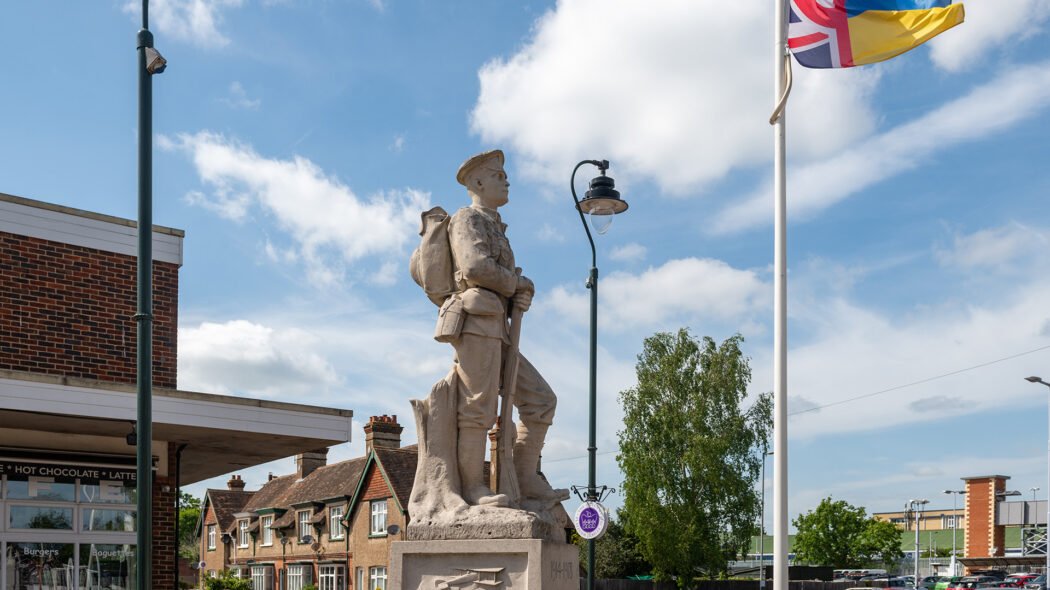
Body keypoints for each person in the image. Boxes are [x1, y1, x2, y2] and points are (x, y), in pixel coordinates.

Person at [443, 149, 566, 508]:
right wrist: (517, 283)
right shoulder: (467, 220)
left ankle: (526, 480)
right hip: (476, 322)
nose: (506, 180)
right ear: (478, 182)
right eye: (498, 175)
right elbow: (476, 267)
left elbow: (498, 278)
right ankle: (472, 489)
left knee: (541, 401)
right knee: (478, 408)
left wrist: (517, 294)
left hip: (499, 325)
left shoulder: (496, 226)